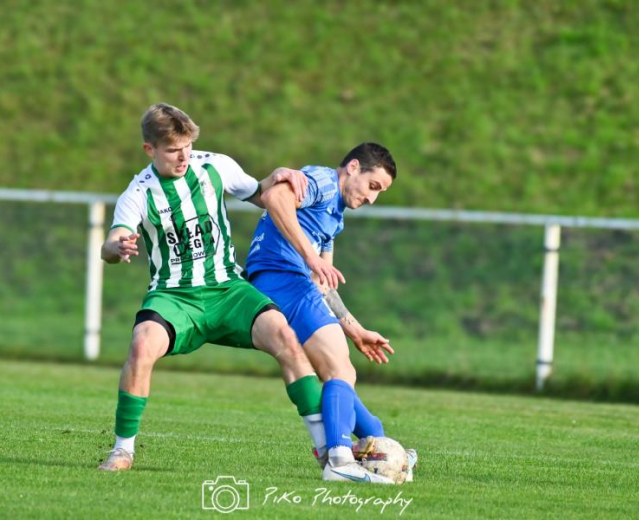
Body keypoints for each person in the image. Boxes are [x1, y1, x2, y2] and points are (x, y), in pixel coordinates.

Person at [97, 103, 324, 473]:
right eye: (172, 150)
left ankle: (327, 450)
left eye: (186, 146)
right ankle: (122, 451)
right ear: (149, 150)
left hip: (227, 290)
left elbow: (258, 192)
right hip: (175, 297)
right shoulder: (138, 193)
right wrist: (115, 248)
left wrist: (277, 176)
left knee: (284, 335)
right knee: (141, 345)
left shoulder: (215, 165)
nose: (183, 156)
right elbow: (111, 243)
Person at [245, 142, 416, 483]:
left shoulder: (334, 218)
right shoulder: (323, 182)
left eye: (379, 192)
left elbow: (325, 285)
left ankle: (381, 445)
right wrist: (309, 257)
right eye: (373, 186)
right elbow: (275, 198)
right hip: (283, 279)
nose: (372, 199)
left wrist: (354, 329)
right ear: (353, 168)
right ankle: (338, 459)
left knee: (338, 373)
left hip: (291, 284)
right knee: (340, 370)